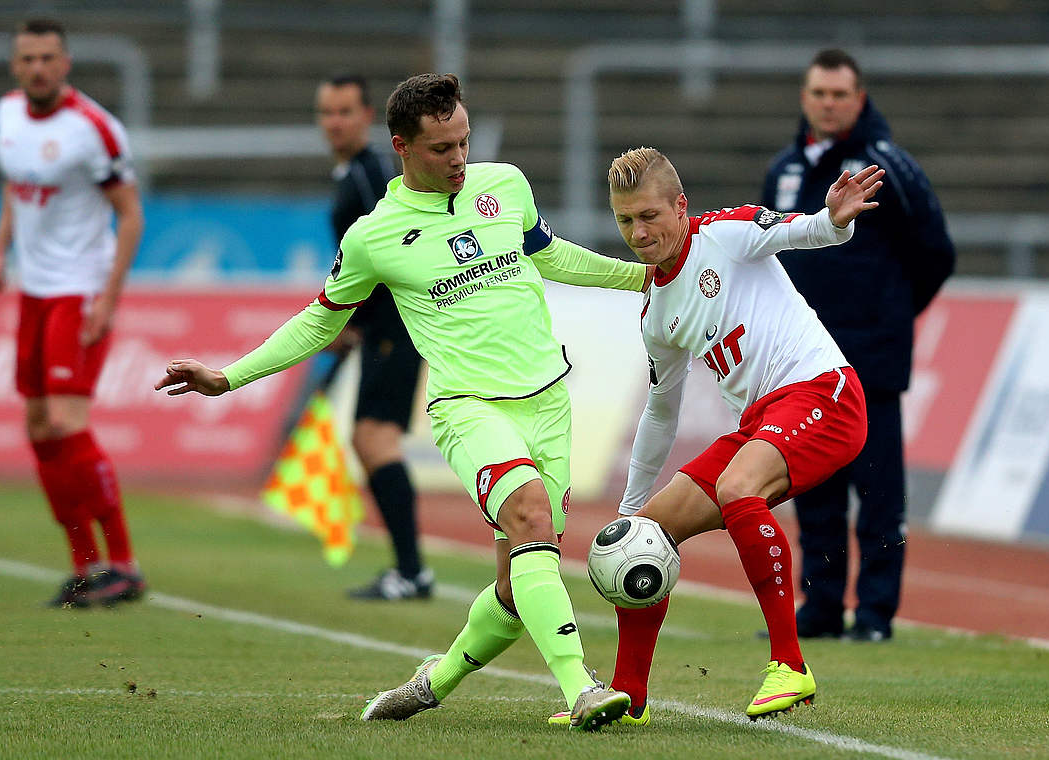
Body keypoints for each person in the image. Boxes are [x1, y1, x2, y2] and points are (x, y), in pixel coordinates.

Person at [155, 73, 654, 731]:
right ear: (402, 146)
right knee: (531, 514)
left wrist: (642, 276)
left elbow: (549, 256)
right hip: (468, 408)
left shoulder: (504, 185)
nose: (459, 159)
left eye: (464, 141)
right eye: (442, 147)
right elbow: (321, 319)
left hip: (548, 403)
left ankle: (433, 680)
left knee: (516, 586)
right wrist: (229, 377)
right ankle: (579, 688)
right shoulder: (375, 236)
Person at [564, 147, 881, 724]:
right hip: (762, 419)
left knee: (739, 486)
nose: (639, 232)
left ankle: (789, 665)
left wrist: (834, 219)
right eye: (626, 220)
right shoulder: (656, 312)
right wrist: (632, 510)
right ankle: (629, 695)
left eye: (650, 216)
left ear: (681, 207)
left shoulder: (727, 235)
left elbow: (807, 233)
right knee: (653, 528)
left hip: (825, 394)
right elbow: (661, 411)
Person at [763, 49, 955, 642]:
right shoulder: (785, 170)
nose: (828, 103)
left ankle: (874, 616)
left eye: (840, 94)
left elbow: (936, 253)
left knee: (876, 496)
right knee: (814, 498)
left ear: (860, 98)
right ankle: (819, 612)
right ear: (804, 98)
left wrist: (890, 318)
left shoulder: (887, 166)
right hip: (803, 366)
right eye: (819, 92)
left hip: (871, 361)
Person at [0, 18, 147, 609]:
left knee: (66, 422)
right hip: (34, 291)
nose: (37, 69)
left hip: (79, 289)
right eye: (27, 58)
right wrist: (0, 251)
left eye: (48, 58)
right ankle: (84, 564)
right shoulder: (6, 115)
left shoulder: (93, 128)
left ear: (66, 62)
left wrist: (108, 298)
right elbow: (13, 186)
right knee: (38, 429)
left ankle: (125, 565)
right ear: (14, 65)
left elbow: (130, 215)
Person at [315, 73, 433, 601]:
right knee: (369, 440)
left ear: (367, 117)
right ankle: (409, 568)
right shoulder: (357, 175)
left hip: (396, 327)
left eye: (344, 112)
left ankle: (411, 571)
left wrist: (350, 319)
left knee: (374, 439)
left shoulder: (368, 179)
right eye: (327, 112)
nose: (334, 122)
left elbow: (386, 256)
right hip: (384, 327)